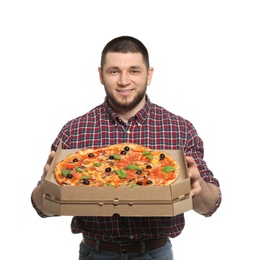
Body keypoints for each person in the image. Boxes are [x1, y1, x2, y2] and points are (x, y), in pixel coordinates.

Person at [31, 35, 222, 260]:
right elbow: (42, 209)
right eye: (114, 71)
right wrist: (47, 186)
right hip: (95, 253)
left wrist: (197, 185)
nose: (124, 81)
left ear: (148, 75)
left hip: (155, 253)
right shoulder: (74, 130)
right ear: (101, 75)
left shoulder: (179, 128)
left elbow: (210, 206)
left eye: (134, 70)